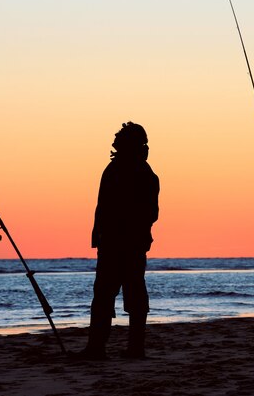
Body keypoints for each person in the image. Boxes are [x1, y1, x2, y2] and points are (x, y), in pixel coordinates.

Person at [78, 122, 159, 359]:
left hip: (124, 244)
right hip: (117, 243)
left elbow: (150, 213)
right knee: (109, 295)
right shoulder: (119, 170)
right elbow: (103, 208)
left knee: (119, 295)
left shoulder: (141, 173)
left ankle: (118, 348)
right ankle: (103, 347)